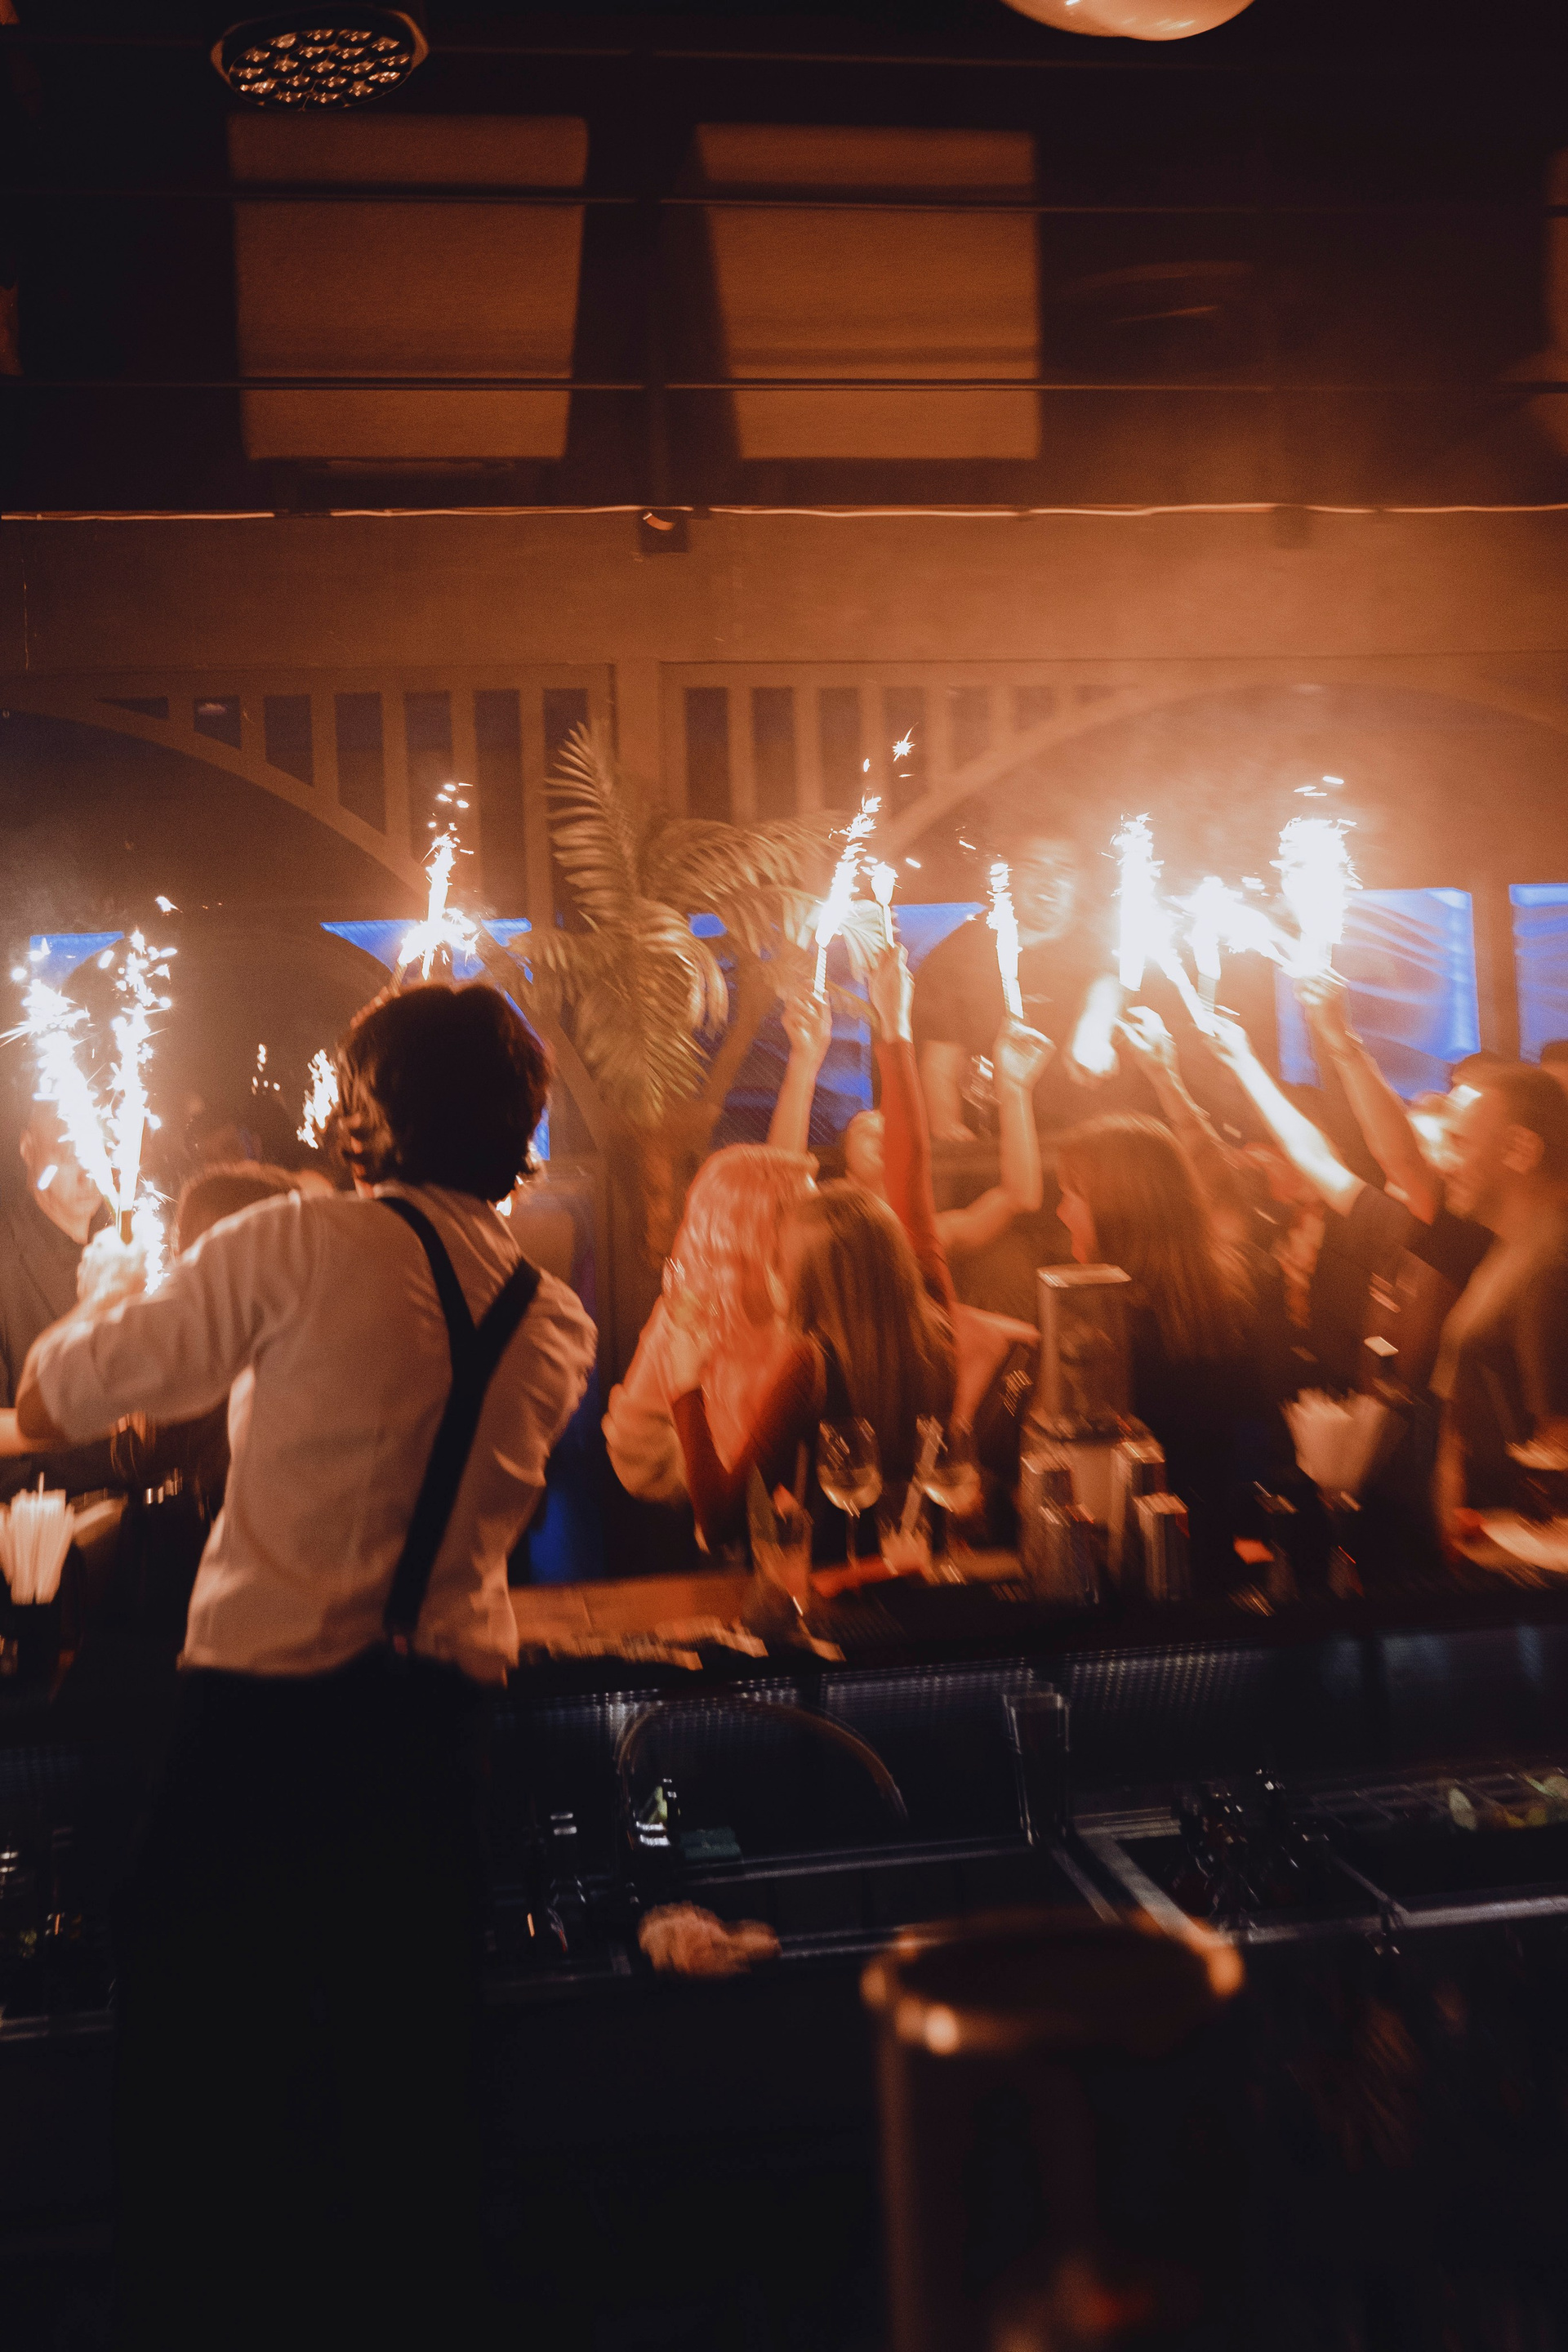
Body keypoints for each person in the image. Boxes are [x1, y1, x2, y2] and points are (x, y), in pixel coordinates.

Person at [16, 981, 595, 2350]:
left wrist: (112, 1284)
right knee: (405, 2083)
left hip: (260, 1735)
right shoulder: (555, 1322)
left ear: (372, 1114)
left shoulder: (303, 1240)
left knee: (204, 2079)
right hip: (440, 1735)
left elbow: (61, 1395)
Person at [666, 951, 957, 1557]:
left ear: (808, 1277)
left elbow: (721, 1522)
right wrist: (895, 1028)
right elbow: (913, 1179)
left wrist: (686, 1387)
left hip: (832, 1591)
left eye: (784, 1258)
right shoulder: (934, 1323)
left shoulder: (813, 1367)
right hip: (925, 1575)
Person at [1054, 1112, 1298, 1592]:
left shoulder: (1106, 1333)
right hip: (1216, 1569)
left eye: (1071, 1196)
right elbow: (1261, 1445)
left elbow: (1085, 1490)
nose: (1062, 1213)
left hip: (1129, 1580)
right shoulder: (1228, 1306)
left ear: (1116, 1208)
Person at [604, 1142, 817, 1511]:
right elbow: (633, 1448)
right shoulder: (685, 1317)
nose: (821, 1229)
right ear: (756, 1235)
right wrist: (708, 1477)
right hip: (734, 1540)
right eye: (808, 1216)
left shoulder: (821, 1306)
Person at [1430, 1063, 1568, 1550]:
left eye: (1460, 1143)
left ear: (1520, 1150)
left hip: (1528, 1566)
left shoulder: (1552, 1263)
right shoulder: (1513, 1250)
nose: (1444, 1163)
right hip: (1494, 1549)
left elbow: (1558, 1443)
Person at [909, 832, 1122, 1139]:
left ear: (1082, 880)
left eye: (1063, 869)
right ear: (1010, 874)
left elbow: (1113, 984)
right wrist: (949, 1132)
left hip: (1096, 1142)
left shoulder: (1106, 947)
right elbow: (939, 1062)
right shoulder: (962, 953)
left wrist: (1095, 1023)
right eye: (1033, 866)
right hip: (994, 1145)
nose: (1048, 882)